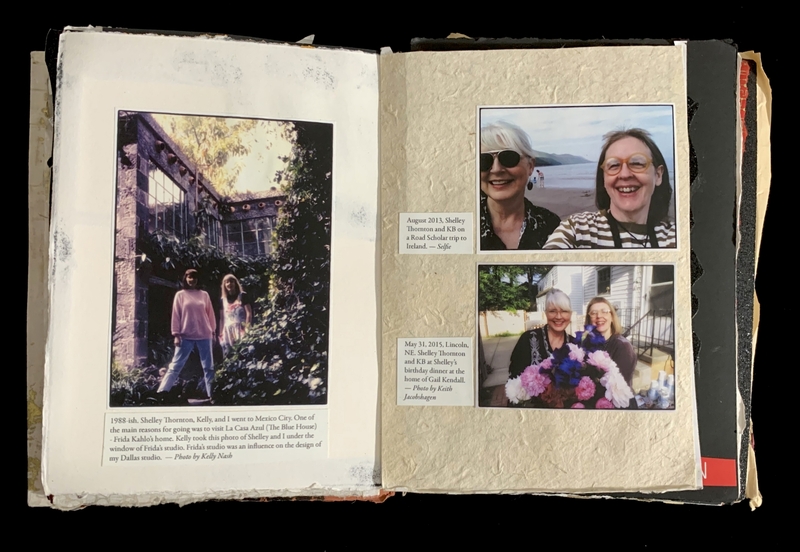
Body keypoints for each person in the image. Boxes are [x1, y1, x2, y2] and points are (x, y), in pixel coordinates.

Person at [543, 128, 676, 249]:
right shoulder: (578, 230)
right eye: (613, 165)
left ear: (658, 175)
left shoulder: (676, 238)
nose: (624, 174)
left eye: (637, 163)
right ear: (604, 179)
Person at [480, 121, 561, 250]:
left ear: (530, 166)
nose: (496, 169)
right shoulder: (464, 223)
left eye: (509, 158)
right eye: (484, 160)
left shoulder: (551, 225)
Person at [157, 269, 217, 401]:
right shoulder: (180, 295)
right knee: (175, 365)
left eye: (195, 278)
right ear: (186, 278)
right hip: (185, 335)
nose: (192, 280)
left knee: (208, 367)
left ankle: (212, 395)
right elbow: (176, 315)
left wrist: (213, 332)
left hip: (204, 334)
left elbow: (210, 314)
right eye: (190, 277)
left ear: (198, 280)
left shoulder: (204, 295)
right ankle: (161, 392)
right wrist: (176, 334)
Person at [508, 289, 576, 380]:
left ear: (570, 314)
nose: (558, 316)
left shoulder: (575, 345)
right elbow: (514, 378)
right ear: (546, 313)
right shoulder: (527, 339)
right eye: (552, 311)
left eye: (564, 311)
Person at [584, 297, 637, 387]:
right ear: (589, 320)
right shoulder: (588, 343)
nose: (599, 316)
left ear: (612, 317)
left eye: (604, 311)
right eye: (594, 313)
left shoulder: (622, 347)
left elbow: (618, 386)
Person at [218, 273, 252, 353]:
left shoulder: (242, 296)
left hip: (241, 328)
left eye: (231, 281)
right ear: (224, 285)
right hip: (227, 332)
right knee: (229, 356)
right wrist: (221, 334)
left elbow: (249, 313)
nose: (229, 284)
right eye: (227, 282)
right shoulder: (222, 300)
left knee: (243, 353)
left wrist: (247, 328)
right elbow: (222, 318)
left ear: (235, 283)